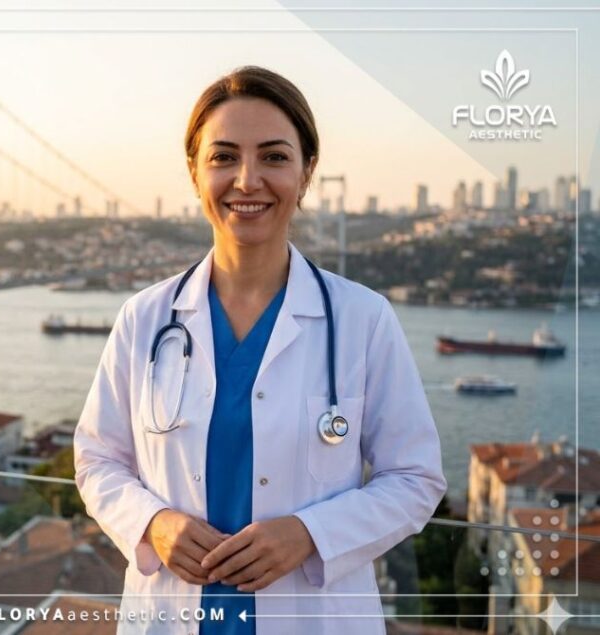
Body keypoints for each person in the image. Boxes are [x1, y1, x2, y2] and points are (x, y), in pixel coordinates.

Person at [73, 66, 446, 635]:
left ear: (306, 172)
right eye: (223, 157)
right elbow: (97, 460)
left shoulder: (363, 319)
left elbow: (416, 478)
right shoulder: (144, 319)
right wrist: (153, 524)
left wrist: (310, 534)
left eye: (273, 157)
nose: (247, 180)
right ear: (195, 173)